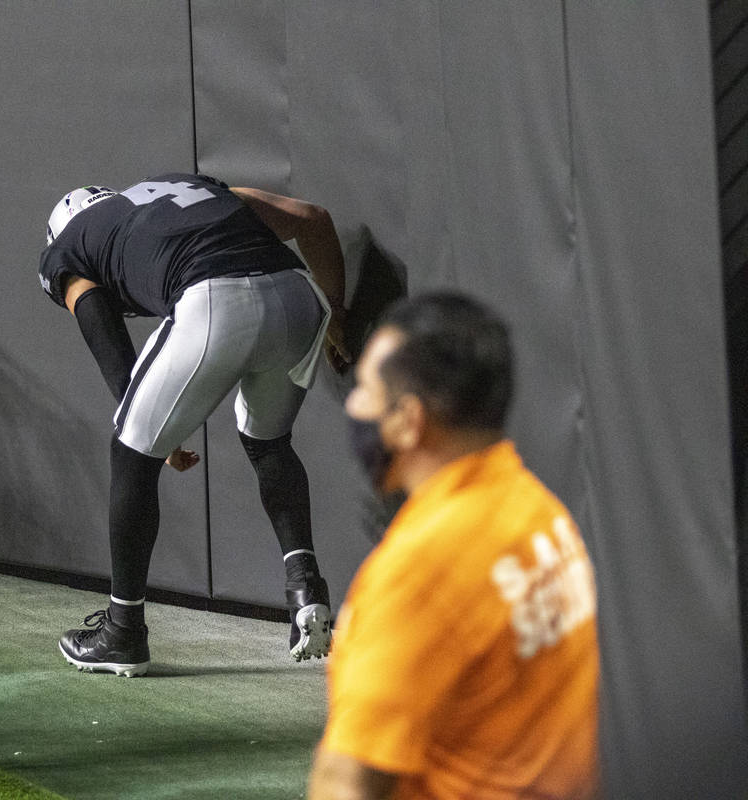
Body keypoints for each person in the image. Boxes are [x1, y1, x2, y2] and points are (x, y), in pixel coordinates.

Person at [39, 174, 405, 676]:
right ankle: (305, 589)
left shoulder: (69, 247)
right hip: (298, 294)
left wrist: (152, 433)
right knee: (268, 440)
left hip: (212, 296)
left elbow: (102, 328)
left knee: (130, 450)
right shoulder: (186, 187)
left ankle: (123, 631)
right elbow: (312, 219)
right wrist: (336, 310)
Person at [309, 292, 598, 800]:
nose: (353, 406)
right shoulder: (538, 512)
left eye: (365, 391)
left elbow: (347, 782)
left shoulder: (419, 571)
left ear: (407, 421)